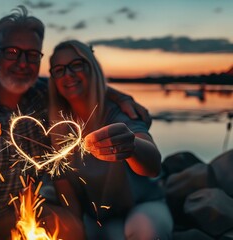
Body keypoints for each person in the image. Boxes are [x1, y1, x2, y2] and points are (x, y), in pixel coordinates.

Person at [0, 6, 150, 240]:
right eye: (12, 52)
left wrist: (119, 97)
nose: (22, 62)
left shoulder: (42, 95)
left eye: (32, 55)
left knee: (70, 229)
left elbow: (80, 82)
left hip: (13, 213)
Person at [48, 40, 173, 240]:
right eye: (59, 69)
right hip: (98, 216)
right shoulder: (57, 125)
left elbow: (153, 165)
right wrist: (75, 227)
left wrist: (131, 145)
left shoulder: (118, 113)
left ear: (92, 67)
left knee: (147, 231)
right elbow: (65, 188)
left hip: (142, 206)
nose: (68, 74)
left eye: (77, 65)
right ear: (53, 78)